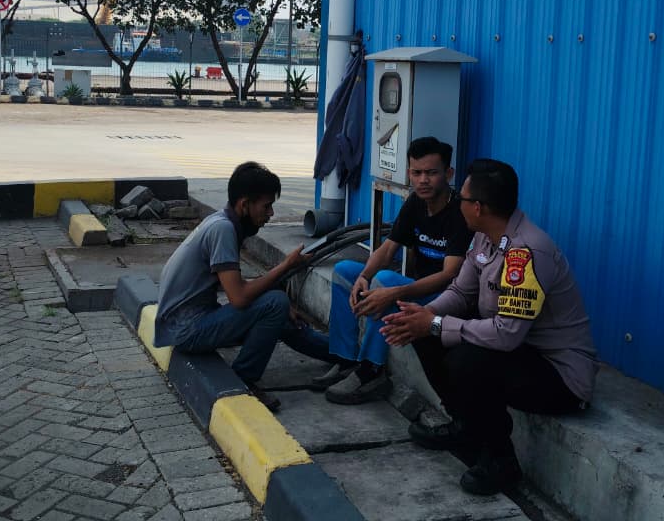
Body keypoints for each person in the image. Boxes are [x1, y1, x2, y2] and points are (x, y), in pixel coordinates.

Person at [381, 158, 597, 496]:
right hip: (520, 352)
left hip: (558, 375)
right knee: (425, 334)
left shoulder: (527, 252)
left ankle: (501, 460)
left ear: (478, 207)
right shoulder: (485, 237)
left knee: (466, 359)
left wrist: (435, 323)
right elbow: (460, 292)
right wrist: (426, 315)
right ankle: (465, 427)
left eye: (462, 198)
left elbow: (506, 335)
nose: (458, 202)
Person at [154, 161, 333, 411]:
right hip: (186, 330)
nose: (271, 214)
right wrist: (286, 265)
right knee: (276, 303)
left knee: (280, 311)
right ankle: (244, 379)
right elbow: (238, 297)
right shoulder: (223, 229)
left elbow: (236, 286)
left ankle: (344, 355)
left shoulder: (223, 222)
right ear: (244, 204)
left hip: (187, 323)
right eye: (266, 206)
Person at [314, 137, 473, 405]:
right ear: (409, 173)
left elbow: (449, 275)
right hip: (417, 288)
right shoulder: (415, 203)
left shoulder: (459, 212)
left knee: (386, 281)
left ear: (448, 174)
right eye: (417, 173)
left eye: (431, 173)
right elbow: (388, 248)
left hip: (446, 297)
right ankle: (345, 359)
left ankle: (371, 371)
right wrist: (364, 277)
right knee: (344, 271)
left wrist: (393, 291)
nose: (423, 180)